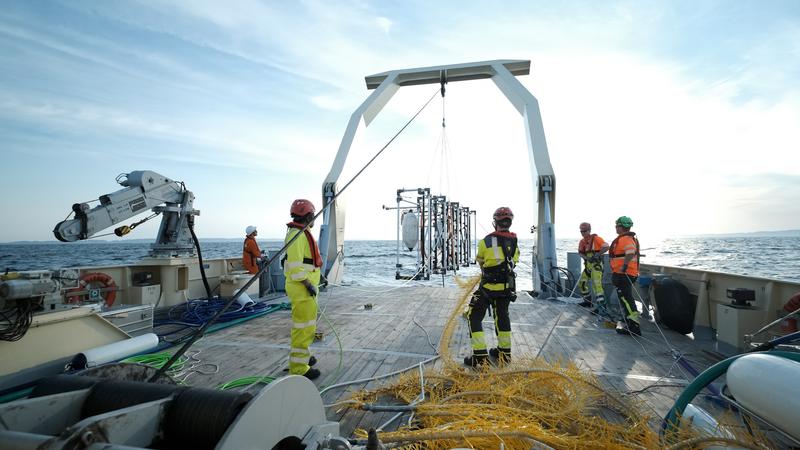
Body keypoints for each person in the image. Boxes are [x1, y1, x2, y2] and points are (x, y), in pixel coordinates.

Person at [464, 207, 520, 368]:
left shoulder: (485, 242)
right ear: (509, 222)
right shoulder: (515, 241)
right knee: (502, 317)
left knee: (473, 316)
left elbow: (481, 260)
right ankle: (505, 353)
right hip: (506, 289)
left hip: (487, 288)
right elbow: (514, 261)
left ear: (495, 222)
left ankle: (480, 356)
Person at [283, 199, 322, 380]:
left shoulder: (299, 232)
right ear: (307, 215)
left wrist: (320, 278)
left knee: (307, 327)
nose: (314, 218)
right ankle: (299, 368)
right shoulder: (296, 235)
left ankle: (303, 358)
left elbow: (306, 262)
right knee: (303, 328)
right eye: (312, 215)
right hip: (303, 290)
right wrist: (308, 284)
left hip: (306, 289)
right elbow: (296, 266)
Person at [609, 216, 641, 336]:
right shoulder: (626, 238)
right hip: (623, 274)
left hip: (625, 274)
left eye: (617, 226)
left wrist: (624, 266)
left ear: (621, 227)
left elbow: (630, 253)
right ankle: (629, 321)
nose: (616, 228)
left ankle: (634, 326)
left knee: (626, 299)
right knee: (625, 299)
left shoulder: (625, 239)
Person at [577, 222, 609, 309]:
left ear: (589, 230)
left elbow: (606, 246)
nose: (583, 233)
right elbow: (580, 253)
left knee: (596, 285)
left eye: (584, 231)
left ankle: (601, 307)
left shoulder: (596, 239)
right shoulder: (582, 242)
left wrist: (598, 254)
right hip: (588, 266)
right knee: (582, 283)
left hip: (596, 266)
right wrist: (587, 258)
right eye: (581, 231)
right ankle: (587, 301)